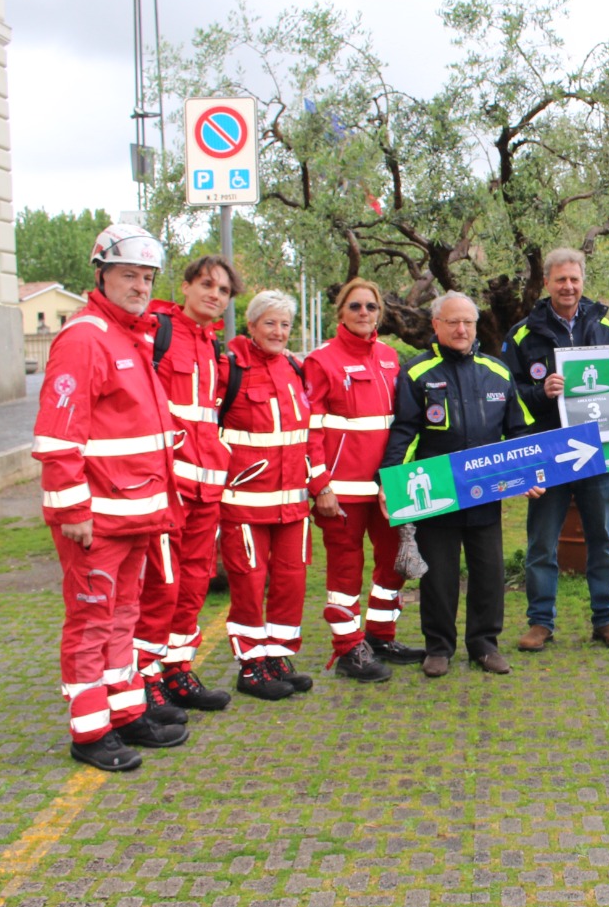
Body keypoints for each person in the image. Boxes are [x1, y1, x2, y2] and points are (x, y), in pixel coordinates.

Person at [32, 223, 187, 771]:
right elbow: (58, 436)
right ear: (101, 275)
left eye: (147, 277)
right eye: (129, 275)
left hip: (134, 513)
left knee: (124, 618)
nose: (141, 286)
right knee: (91, 623)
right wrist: (72, 508)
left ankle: (124, 714)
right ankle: (89, 732)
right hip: (96, 518)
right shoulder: (84, 337)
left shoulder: (129, 336)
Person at [379, 292, 536, 677]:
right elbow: (405, 432)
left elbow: (519, 431)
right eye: (453, 322)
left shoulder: (498, 373)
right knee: (439, 577)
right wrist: (389, 479)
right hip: (435, 494)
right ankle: (439, 647)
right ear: (436, 325)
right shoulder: (416, 373)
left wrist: (532, 471)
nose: (462, 329)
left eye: (468, 321)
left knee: (488, 574)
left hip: (486, 494)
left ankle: (484, 644)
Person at [501, 248, 609, 652]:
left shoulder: (604, 326)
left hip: (595, 447)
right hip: (547, 450)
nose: (568, 286)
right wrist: (541, 393)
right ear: (547, 283)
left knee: (602, 539)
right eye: (560, 279)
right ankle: (540, 622)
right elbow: (509, 396)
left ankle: (607, 620)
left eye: (574, 279)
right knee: (542, 541)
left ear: (582, 281)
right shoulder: (522, 333)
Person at [133, 255, 242, 717]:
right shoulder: (155, 334)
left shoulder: (217, 351)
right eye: (206, 285)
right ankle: (144, 677)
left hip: (205, 490)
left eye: (223, 291)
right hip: (166, 486)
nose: (214, 295)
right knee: (161, 583)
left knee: (194, 582)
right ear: (185, 286)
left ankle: (177, 668)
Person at [305, 278, 425, 680]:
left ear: (380, 313)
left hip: (386, 487)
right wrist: (319, 485)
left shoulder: (391, 357)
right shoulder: (322, 361)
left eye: (370, 307)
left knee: (392, 565)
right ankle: (347, 648)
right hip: (341, 491)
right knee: (345, 572)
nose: (363, 313)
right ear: (341, 311)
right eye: (355, 306)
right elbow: (310, 429)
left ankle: (379, 635)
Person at [219, 290, 326, 699]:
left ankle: (277, 657)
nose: (278, 331)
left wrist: (317, 484)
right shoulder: (230, 370)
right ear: (251, 326)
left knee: (291, 582)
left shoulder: (295, 369)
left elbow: (308, 435)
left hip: (292, 505)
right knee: (248, 584)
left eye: (284, 324)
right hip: (245, 505)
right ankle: (251, 666)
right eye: (270, 323)